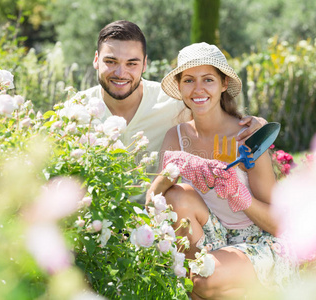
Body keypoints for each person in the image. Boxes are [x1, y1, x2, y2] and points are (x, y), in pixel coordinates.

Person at [146, 43, 298, 299]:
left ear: (223, 84)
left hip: (257, 242)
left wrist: (241, 196)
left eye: (208, 80)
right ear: (180, 86)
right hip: (210, 238)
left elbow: (279, 225)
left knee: (201, 281)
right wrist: (177, 165)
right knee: (175, 195)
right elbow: (154, 202)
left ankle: (257, 290)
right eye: (189, 80)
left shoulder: (247, 137)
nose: (198, 89)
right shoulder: (177, 136)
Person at [80, 20, 266, 202]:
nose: (120, 73)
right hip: (95, 219)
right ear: (96, 60)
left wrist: (256, 124)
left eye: (131, 63)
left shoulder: (175, 102)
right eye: (111, 61)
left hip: (157, 219)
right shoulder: (76, 112)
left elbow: (216, 117)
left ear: (145, 64)